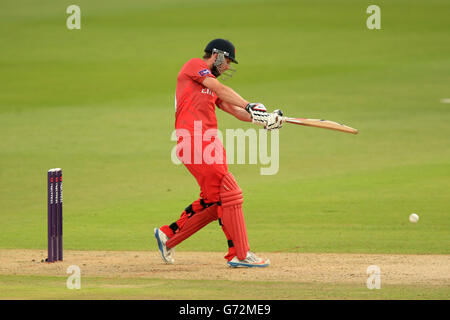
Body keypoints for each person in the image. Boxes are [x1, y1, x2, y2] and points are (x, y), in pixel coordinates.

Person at [154, 39, 283, 268]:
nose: (227, 67)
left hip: (209, 144)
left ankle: (168, 236)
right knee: (230, 190)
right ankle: (240, 254)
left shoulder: (212, 88)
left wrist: (266, 119)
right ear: (216, 55)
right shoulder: (194, 66)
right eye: (227, 61)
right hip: (193, 139)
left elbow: (237, 111)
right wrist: (249, 104)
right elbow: (224, 91)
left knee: (216, 202)